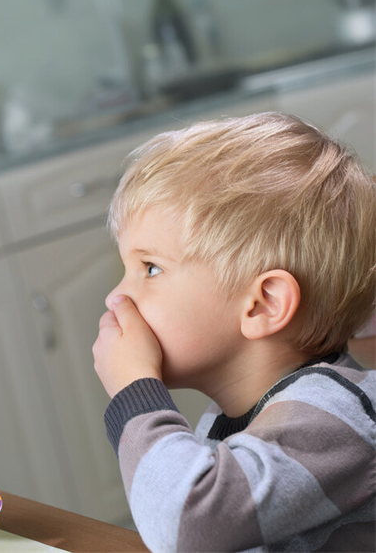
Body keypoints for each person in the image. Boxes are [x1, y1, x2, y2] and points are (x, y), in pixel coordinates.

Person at [92, 112, 376, 552]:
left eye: (150, 268)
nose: (116, 297)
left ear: (264, 305)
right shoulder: (234, 414)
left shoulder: (332, 418)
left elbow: (187, 523)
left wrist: (136, 393)